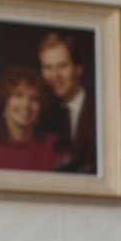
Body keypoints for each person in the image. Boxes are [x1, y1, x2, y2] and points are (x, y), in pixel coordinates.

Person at [0, 67, 65, 172]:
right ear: (4, 101)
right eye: (18, 95)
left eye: (33, 98)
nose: (26, 104)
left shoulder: (56, 146)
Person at [37, 30, 96, 174]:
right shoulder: (43, 116)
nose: (55, 75)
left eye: (62, 66)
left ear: (78, 69)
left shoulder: (101, 111)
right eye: (48, 68)